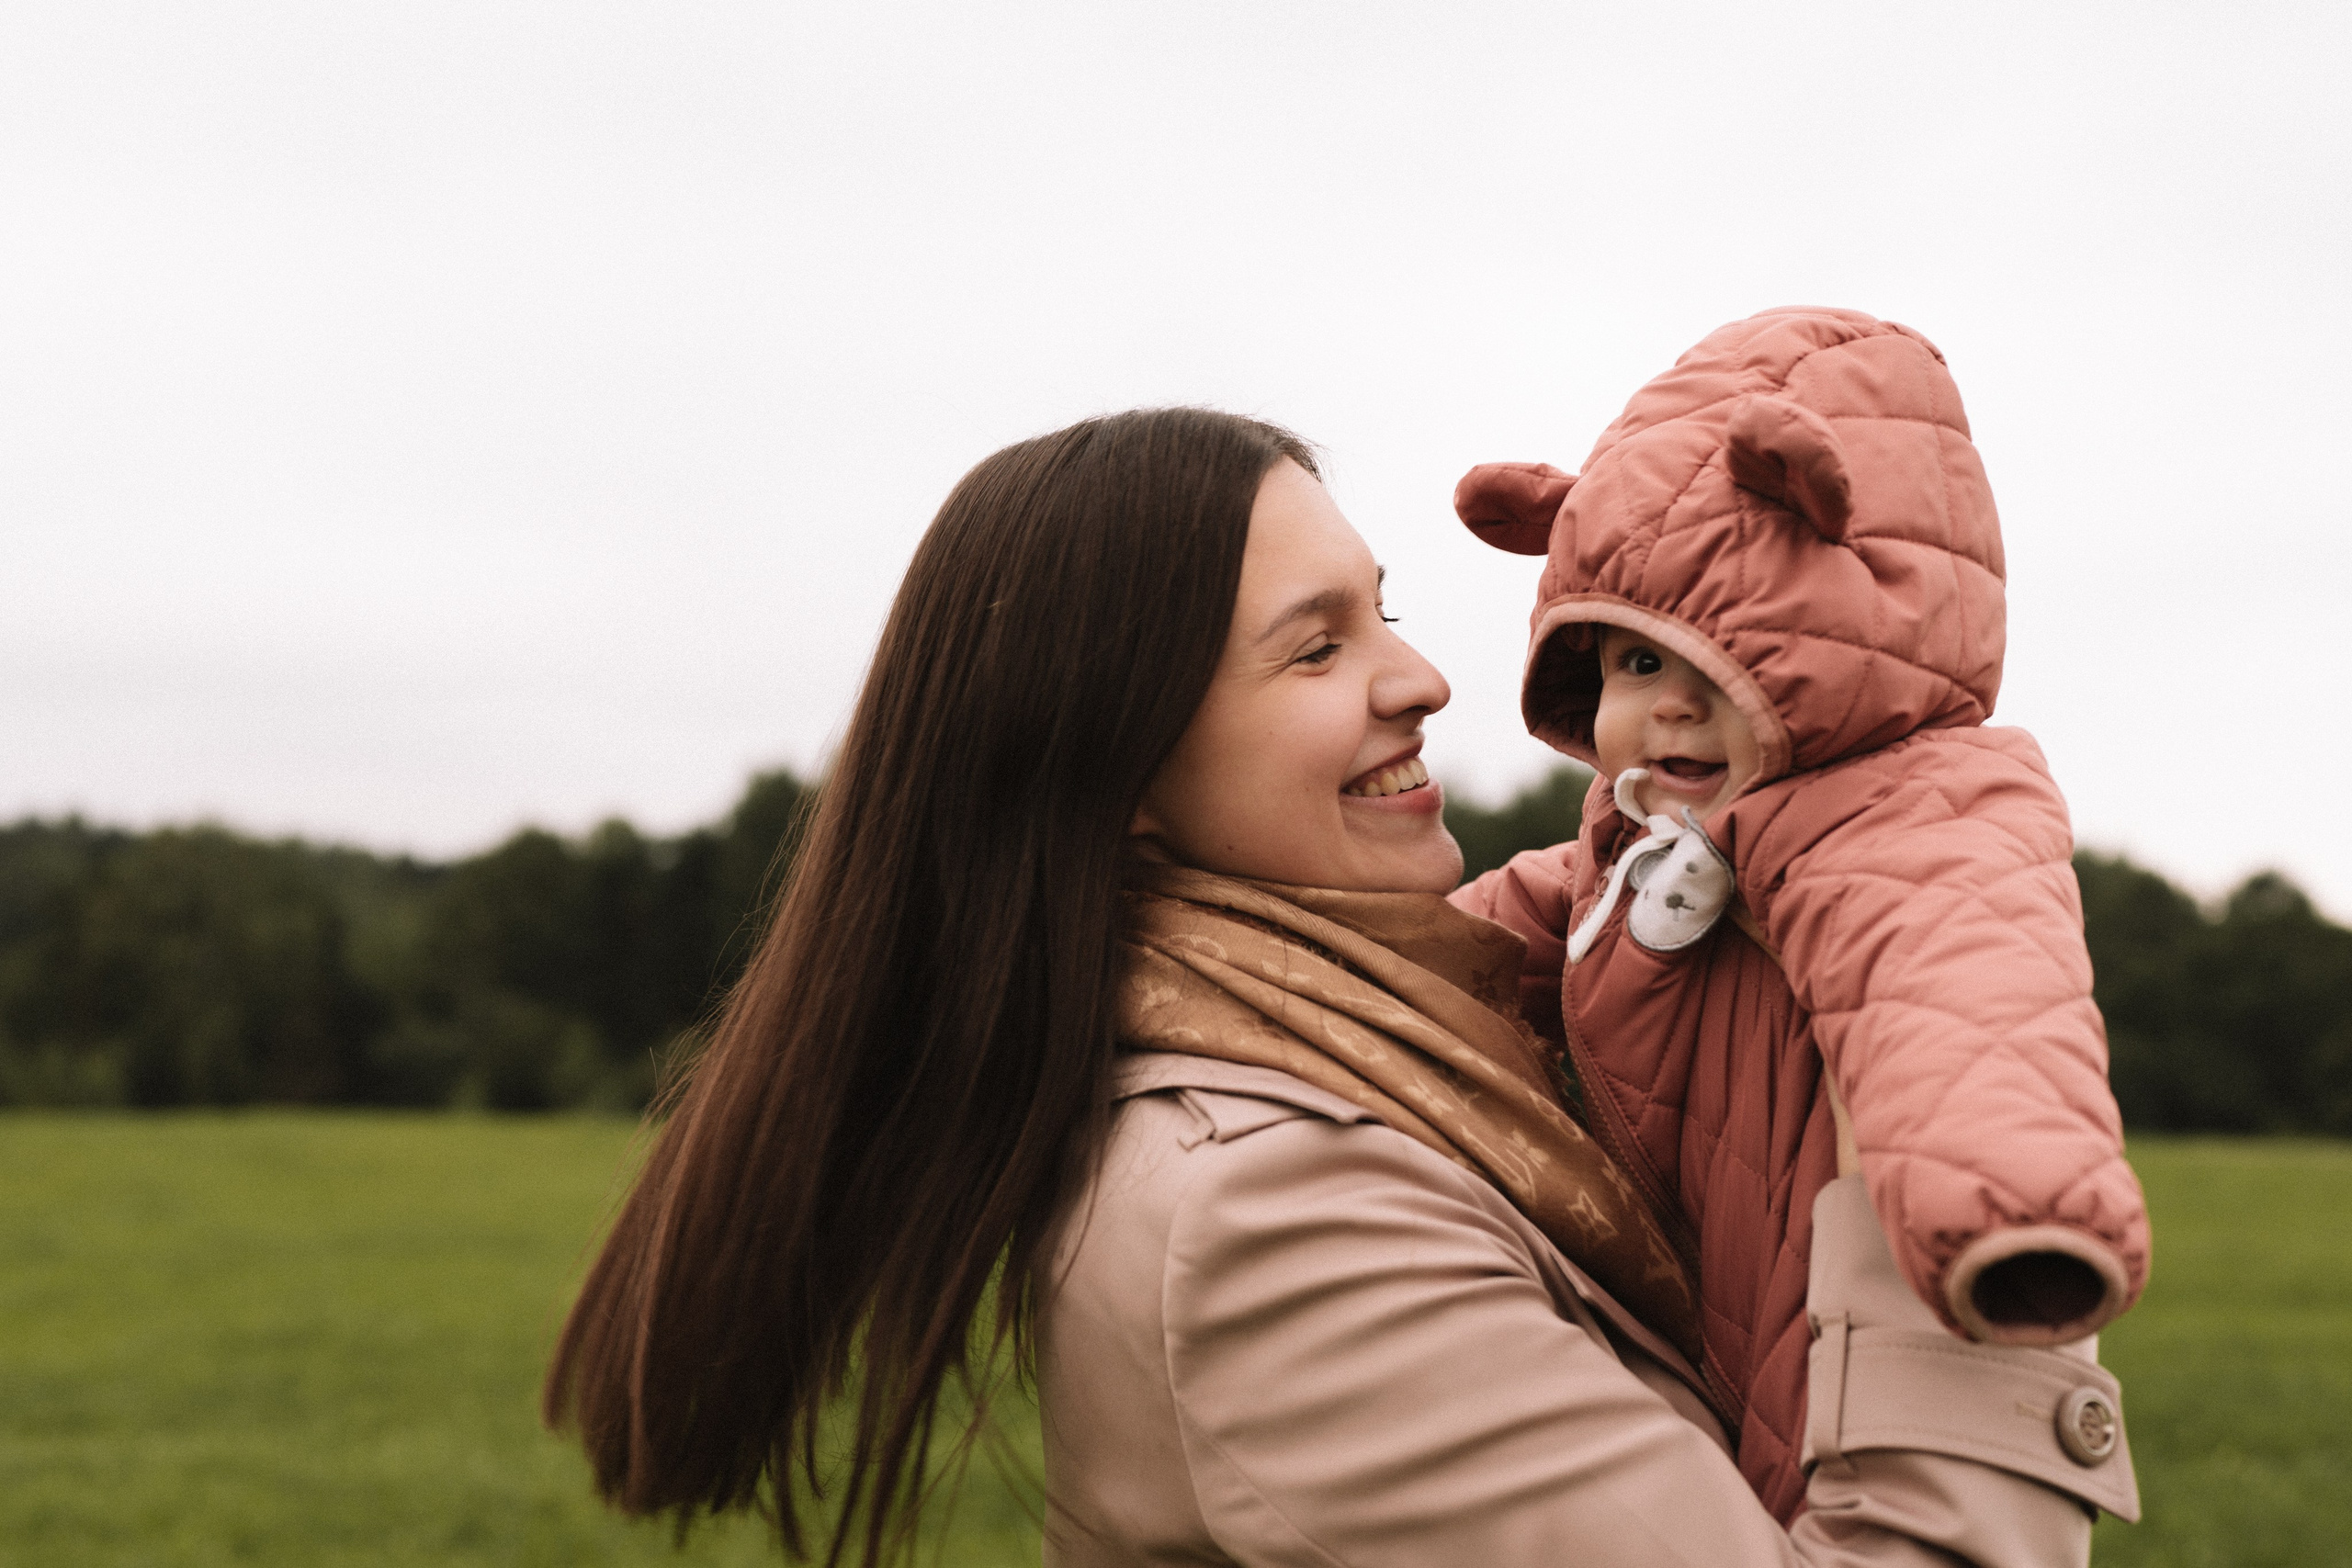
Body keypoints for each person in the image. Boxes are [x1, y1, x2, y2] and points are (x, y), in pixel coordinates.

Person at [544, 405, 2136, 1568]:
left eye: (1384, 608)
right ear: (1119, 780)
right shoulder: (1273, 1221)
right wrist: (1942, 1207)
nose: (1426, 677)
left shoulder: (1390, 1044)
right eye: (1313, 650)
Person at [1450, 307, 2152, 1518]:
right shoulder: (1636, 847)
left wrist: (2011, 1215)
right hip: (1700, 1321)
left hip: (1843, 1349)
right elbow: (1471, 936)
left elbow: (1972, 1012)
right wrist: (1296, 952)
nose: (1661, 712)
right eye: (1629, 665)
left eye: (1705, 667)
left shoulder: (1918, 822)